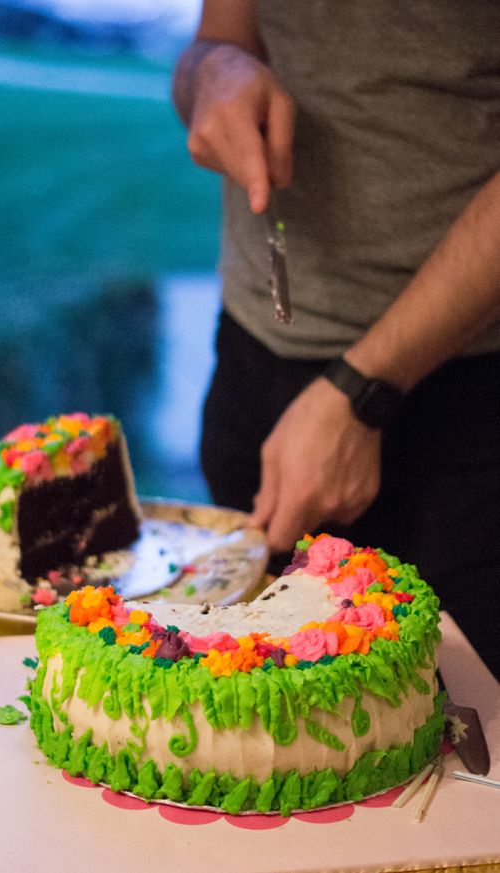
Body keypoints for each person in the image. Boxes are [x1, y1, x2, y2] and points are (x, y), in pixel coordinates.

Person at [172, 0, 500, 679]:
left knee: (458, 744)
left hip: (465, 397)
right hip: (250, 354)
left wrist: (365, 390)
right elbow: (217, 37)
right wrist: (212, 73)